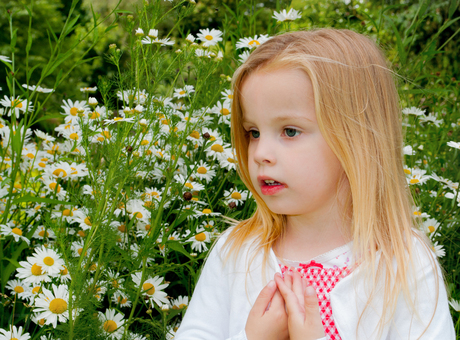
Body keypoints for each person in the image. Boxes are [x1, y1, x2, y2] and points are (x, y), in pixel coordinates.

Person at [175, 28, 455, 340]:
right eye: (253, 132)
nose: (261, 154)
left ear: (356, 138)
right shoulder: (237, 252)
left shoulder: (403, 263)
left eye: (290, 131)